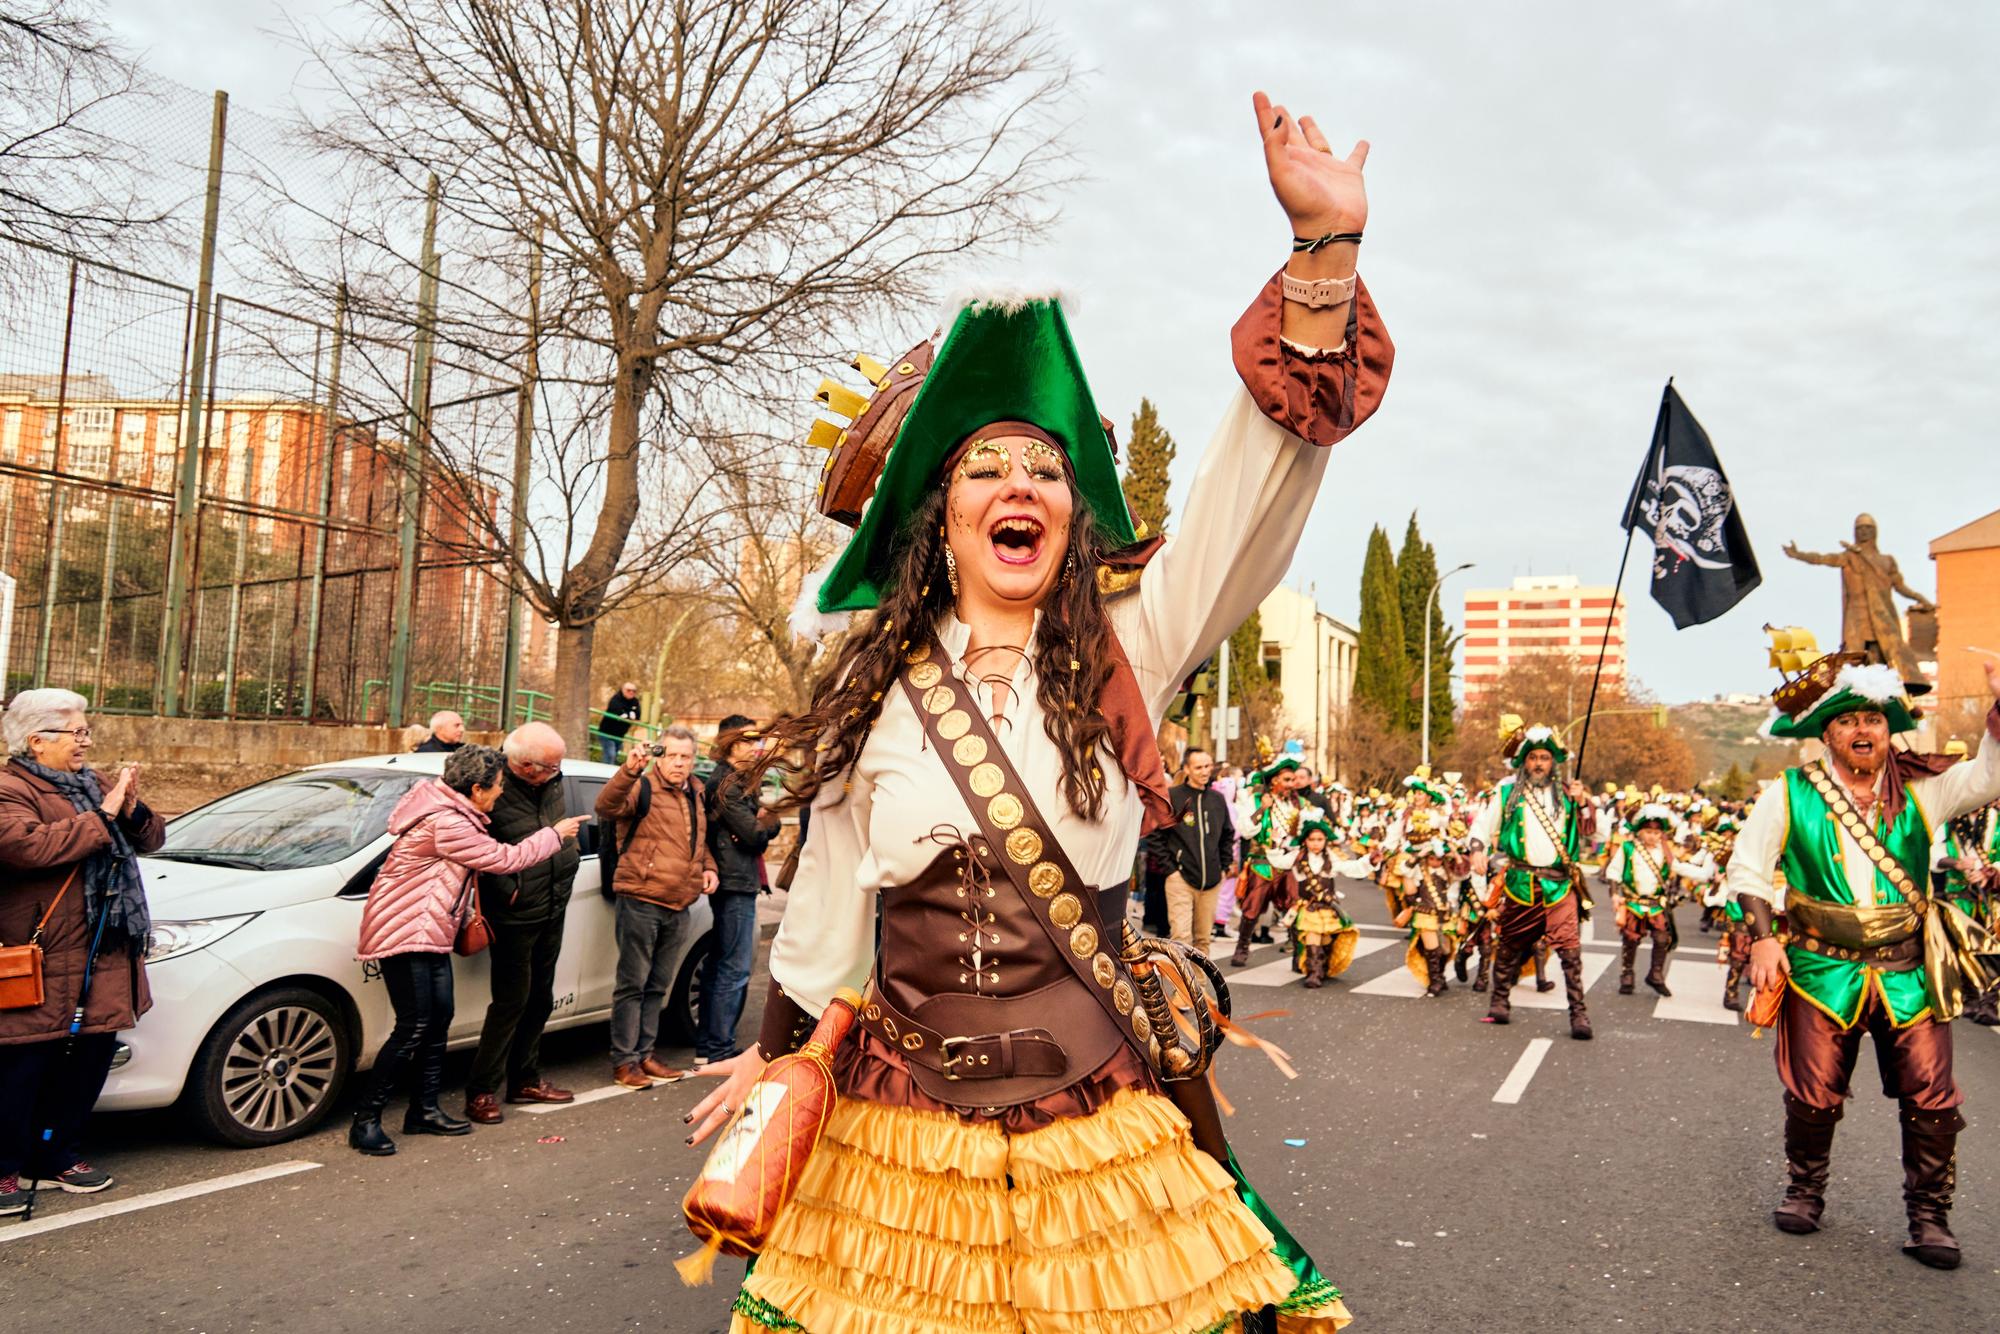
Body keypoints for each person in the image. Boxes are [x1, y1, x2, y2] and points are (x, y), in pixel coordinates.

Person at [684, 89, 1388, 1333]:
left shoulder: (1130, 645)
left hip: (1095, 1117)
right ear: (938, 518)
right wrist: (776, 1049)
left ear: (1071, 515)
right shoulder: (877, 692)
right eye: (985, 468)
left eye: (1046, 469)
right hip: (894, 1133)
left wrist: (1320, 259)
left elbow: (1247, 494)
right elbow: (830, 919)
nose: (1020, 484)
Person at [1731, 655, 2000, 1269]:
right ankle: (1805, 1191)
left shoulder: (1925, 787)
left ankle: (1929, 1218)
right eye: (1849, 719)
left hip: (1908, 970)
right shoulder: (1790, 792)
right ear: (1826, 732)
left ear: (1888, 730)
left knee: (1934, 1101)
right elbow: (1748, 866)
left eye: (1874, 720)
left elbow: (1989, 777)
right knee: (1812, 1095)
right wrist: (1765, 938)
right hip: (1821, 968)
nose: (1863, 730)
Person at [350, 745, 581, 1156]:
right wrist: (554, 835)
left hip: (429, 928)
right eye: (495, 789)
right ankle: (366, 1120)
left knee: (438, 1019)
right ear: (475, 788)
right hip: (406, 931)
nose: (498, 796)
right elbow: (504, 858)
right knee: (413, 1026)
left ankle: (423, 1111)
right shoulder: (447, 823)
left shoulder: (451, 810)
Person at [0, 689, 164, 1215]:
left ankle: (56, 1157)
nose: (86, 742)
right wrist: (104, 814)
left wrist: (131, 806)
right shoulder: (7, 788)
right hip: (42, 952)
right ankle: (3, 1170)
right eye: (77, 733)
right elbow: (25, 848)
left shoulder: (91, 784)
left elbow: (153, 837)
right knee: (23, 1067)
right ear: (36, 740)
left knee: (89, 1060)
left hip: (105, 946)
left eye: (86, 732)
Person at [464, 723, 581, 1125]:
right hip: (513, 912)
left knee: (540, 998)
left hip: (553, 904)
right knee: (511, 1002)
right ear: (526, 765)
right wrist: (508, 889)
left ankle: (525, 1079)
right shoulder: (490, 783)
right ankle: (481, 1091)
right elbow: (479, 849)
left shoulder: (551, 779)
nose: (558, 771)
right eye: (551, 765)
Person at [595, 725, 716, 1088]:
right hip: (641, 898)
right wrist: (629, 770)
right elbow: (606, 805)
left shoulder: (696, 792)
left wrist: (708, 867)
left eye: (686, 756)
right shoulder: (642, 786)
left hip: (679, 902)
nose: (679, 763)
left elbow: (697, 840)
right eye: (673, 755)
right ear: (661, 756)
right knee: (632, 984)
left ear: (694, 759)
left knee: (658, 985)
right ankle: (624, 1061)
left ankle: (645, 1054)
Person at [1472, 723, 1595, 1040]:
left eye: (1544, 757)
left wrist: (1583, 804)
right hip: (1520, 882)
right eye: (1533, 758)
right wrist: (1476, 850)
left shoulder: (1569, 795)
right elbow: (1483, 826)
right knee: (1510, 947)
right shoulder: (1506, 793)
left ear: (1553, 762)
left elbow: (1595, 832)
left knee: (1570, 954)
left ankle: (1579, 1015)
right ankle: (1499, 1002)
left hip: (1559, 887)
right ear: (1524, 762)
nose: (1539, 763)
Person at [697, 715, 776, 1068]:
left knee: (724, 963)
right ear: (732, 745)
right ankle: (717, 1047)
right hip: (733, 881)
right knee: (734, 966)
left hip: (737, 877)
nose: (756, 748)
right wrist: (768, 817)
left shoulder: (738, 782)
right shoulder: (727, 785)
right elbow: (755, 835)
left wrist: (760, 818)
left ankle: (712, 1044)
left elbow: (751, 832)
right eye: (749, 741)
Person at [1605, 802, 1711, 998]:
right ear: (1640, 832)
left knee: (1662, 939)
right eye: (1648, 831)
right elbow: (1614, 871)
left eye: (1656, 832)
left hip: (1656, 904)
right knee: (1630, 939)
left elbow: (1680, 867)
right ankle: (1626, 975)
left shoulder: (1666, 851)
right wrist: (1615, 895)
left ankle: (1655, 975)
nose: (1652, 836)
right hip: (1633, 902)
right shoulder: (1628, 848)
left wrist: (1706, 871)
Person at [1232, 747, 1316, 966]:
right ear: (1274, 780)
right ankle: (1242, 947)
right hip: (1263, 862)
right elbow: (1245, 829)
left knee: (1294, 906)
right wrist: (1262, 810)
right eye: (1287, 779)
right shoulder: (1258, 799)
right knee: (1252, 908)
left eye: (1294, 780)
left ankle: (1299, 955)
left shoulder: (1297, 803)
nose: (1292, 784)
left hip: (1289, 862)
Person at [1163, 747, 1235, 952]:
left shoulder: (1217, 799)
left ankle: (1199, 986)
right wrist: (1170, 870)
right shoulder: (1173, 797)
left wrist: (1224, 865)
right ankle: (1182, 985)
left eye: (1207, 766)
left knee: (1203, 941)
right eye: (1198, 767)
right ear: (1186, 769)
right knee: (1181, 938)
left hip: (1211, 881)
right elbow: (1158, 836)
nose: (1205, 771)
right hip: (1180, 879)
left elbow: (1227, 834)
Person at [1292, 820, 1368, 988]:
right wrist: (1274, 846)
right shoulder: (1297, 856)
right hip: (1308, 906)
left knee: (1325, 939)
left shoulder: (1332, 857)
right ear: (1305, 841)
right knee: (1312, 932)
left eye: (1320, 839)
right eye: (1312, 839)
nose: (1315, 843)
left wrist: (1370, 861)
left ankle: (1323, 965)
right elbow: (1278, 861)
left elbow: (1351, 867)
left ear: (1325, 840)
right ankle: (1313, 972)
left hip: (1327, 907)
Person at [599, 681, 642, 764]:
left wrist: (627, 714)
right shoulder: (616, 699)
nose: (631, 693)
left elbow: (637, 715)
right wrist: (628, 714)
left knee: (614, 755)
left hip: (619, 735)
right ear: (623, 690)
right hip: (607, 733)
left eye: (634, 691)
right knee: (610, 754)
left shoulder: (635, 701)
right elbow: (617, 711)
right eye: (629, 690)